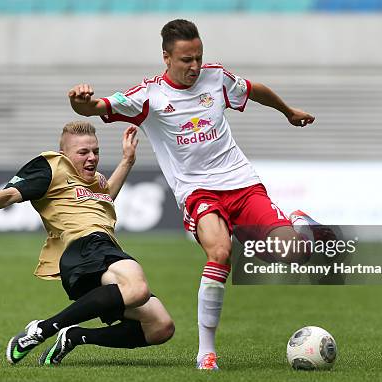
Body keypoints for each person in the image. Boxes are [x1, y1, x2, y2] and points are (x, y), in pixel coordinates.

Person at [67, 19, 331, 370]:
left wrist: (288, 112)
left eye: (199, 57)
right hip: (198, 191)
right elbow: (95, 108)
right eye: (186, 60)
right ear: (166, 58)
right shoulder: (148, 96)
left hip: (242, 183)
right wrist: (80, 102)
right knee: (219, 252)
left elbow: (254, 89)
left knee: (295, 253)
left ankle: (296, 221)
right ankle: (206, 352)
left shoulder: (216, 77)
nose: (195, 66)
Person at [0, 122, 174, 366]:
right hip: (85, 246)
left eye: (95, 151)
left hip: (100, 256)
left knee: (160, 326)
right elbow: (10, 194)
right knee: (137, 288)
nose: (92, 158)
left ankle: (76, 336)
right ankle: (43, 329)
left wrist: (127, 161)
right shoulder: (51, 166)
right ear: (64, 154)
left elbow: (105, 196)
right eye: (83, 152)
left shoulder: (94, 181)